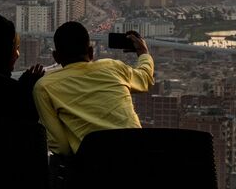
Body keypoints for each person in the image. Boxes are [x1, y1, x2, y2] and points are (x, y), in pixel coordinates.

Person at [33, 21, 154, 155]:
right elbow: (145, 79)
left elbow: (61, 147)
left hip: (94, 167)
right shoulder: (113, 67)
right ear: (91, 51)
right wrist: (143, 53)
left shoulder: (44, 87)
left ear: (56, 57)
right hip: (139, 156)